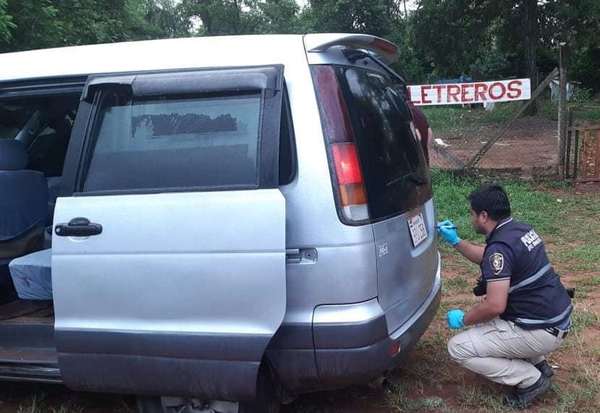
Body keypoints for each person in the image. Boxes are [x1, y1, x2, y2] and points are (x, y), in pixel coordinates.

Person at [437, 184, 572, 409]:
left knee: (458, 347)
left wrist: (464, 319)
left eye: (472, 214)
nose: (471, 219)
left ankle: (531, 379)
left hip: (541, 328)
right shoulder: (519, 230)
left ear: (484, 216)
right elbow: (489, 256)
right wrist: (456, 242)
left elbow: (495, 305)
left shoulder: (499, 248)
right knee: (488, 318)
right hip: (553, 317)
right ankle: (538, 363)